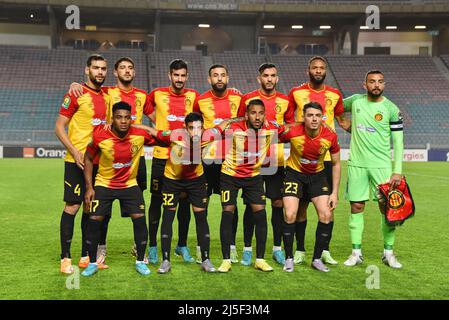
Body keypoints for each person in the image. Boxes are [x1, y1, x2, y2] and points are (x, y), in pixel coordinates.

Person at [69, 57, 153, 265]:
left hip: (136, 157)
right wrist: (75, 85)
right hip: (109, 155)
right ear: (115, 72)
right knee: (102, 209)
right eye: (122, 68)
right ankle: (100, 248)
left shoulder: (143, 95)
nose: (127, 71)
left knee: (137, 204)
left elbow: (158, 114)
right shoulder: (107, 91)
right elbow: (89, 88)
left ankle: (138, 248)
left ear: (134, 72)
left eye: (130, 68)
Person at [136, 113, 232, 273]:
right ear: (184, 128)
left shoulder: (209, 134)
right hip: (172, 180)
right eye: (191, 128)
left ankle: (206, 260)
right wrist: (131, 126)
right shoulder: (174, 135)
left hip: (196, 180)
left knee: (201, 217)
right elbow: (151, 131)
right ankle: (166, 261)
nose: (196, 132)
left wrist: (236, 120)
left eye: (199, 128)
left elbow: (224, 123)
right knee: (168, 217)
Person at [81, 102, 156, 277]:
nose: (123, 121)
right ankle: (92, 263)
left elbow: (160, 136)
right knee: (94, 219)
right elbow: (88, 158)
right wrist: (89, 187)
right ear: (112, 119)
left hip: (130, 184)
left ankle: (140, 261)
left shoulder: (139, 134)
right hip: (104, 183)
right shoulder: (100, 136)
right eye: (119, 117)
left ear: (131, 119)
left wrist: (138, 125)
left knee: (139, 219)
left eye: (127, 117)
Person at [288, 55, 350, 266]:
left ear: (325, 71)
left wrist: (362, 129)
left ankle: (324, 250)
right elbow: (288, 120)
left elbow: (342, 120)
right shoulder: (296, 92)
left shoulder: (334, 94)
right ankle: (300, 250)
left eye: (321, 68)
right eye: (314, 67)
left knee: (327, 210)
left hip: (324, 159)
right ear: (309, 70)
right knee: (301, 209)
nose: (318, 70)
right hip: (301, 157)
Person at [55, 54, 111, 274]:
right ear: (87, 70)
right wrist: (75, 151)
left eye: (103, 68)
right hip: (76, 161)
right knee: (73, 206)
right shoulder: (75, 93)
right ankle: (65, 258)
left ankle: (86, 255)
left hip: (99, 163)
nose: (100, 72)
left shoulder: (107, 95)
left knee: (91, 208)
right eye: (96, 68)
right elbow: (59, 127)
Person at [343, 70, 404, 269]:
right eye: (372, 82)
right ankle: (356, 253)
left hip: (382, 167)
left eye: (379, 82)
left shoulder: (391, 109)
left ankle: (388, 253)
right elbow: (333, 106)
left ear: (384, 85)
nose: (376, 85)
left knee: (387, 209)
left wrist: (397, 170)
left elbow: (398, 141)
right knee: (357, 207)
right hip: (357, 164)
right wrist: (344, 123)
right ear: (365, 85)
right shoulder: (355, 102)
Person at [237, 63, 295, 266]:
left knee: (277, 203)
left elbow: (290, 127)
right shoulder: (247, 99)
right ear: (258, 78)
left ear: (277, 78)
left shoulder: (286, 101)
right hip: (251, 162)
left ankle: (277, 248)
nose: (269, 79)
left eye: (273, 76)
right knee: (252, 206)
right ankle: (247, 248)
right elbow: (239, 122)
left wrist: (281, 130)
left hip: (275, 161)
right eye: (265, 75)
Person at [217, 99, 284, 273]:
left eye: (261, 113)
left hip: (253, 176)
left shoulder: (271, 129)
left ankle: (260, 260)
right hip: (230, 175)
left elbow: (290, 127)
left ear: (265, 115)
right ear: (246, 115)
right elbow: (213, 133)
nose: (257, 117)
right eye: (253, 113)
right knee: (228, 213)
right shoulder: (234, 129)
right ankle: (226, 260)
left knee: (260, 215)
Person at [280, 102, 341, 273]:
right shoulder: (293, 131)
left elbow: (336, 164)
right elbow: (272, 136)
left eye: (317, 115)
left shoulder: (330, 136)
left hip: (317, 177)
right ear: (303, 117)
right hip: (294, 175)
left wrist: (334, 193)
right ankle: (289, 258)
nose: (314, 119)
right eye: (309, 115)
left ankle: (316, 259)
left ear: (322, 117)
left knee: (326, 214)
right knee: (290, 214)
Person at [197, 64, 242, 264]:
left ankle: (231, 246)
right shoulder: (201, 101)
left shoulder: (239, 98)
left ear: (228, 77)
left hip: (231, 160)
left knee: (231, 206)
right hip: (207, 160)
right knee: (202, 205)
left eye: (223, 75)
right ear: (209, 79)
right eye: (215, 75)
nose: (219, 78)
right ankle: (201, 248)